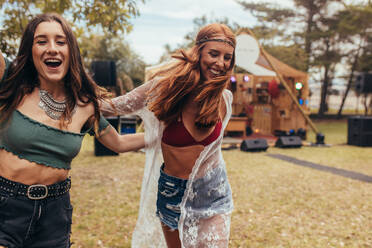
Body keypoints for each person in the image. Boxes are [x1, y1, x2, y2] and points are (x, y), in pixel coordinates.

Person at [0, 13, 145, 248]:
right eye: (41, 41)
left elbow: (119, 143)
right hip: (6, 206)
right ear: (30, 49)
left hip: (55, 213)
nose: (52, 49)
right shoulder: (10, 82)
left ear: (71, 51)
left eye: (60, 41)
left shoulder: (85, 105)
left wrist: (160, 136)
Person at [101, 23, 236, 248]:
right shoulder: (164, 89)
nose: (220, 63)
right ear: (198, 52)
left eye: (227, 57)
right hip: (172, 193)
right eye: (214, 54)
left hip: (213, 191)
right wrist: (71, 98)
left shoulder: (224, 99)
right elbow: (112, 107)